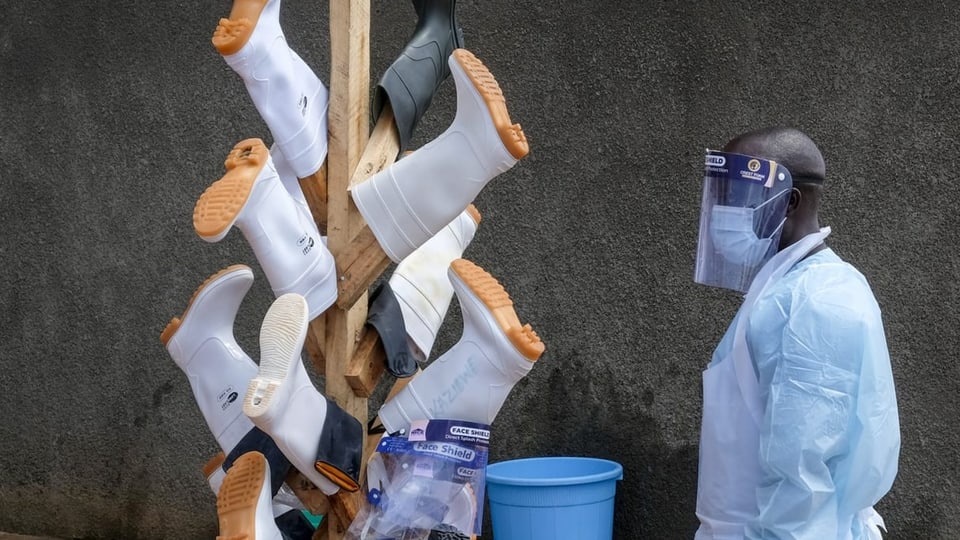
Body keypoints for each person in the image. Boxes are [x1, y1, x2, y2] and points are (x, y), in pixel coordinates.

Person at [692, 127, 901, 539]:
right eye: (723, 196)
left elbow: (801, 481)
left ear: (790, 201)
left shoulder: (812, 303)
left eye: (739, 196)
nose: (724, 212)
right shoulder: (790, 289)